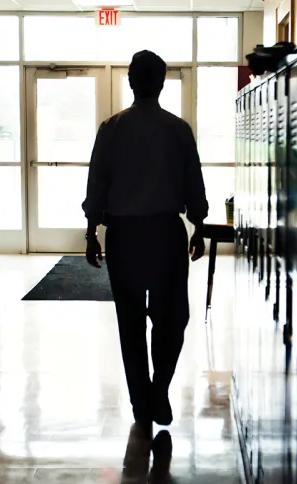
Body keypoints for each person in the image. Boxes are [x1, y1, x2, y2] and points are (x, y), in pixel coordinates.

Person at [82, 50, 208, 429]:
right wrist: (199, 225)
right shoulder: (178, 130)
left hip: (125, 238)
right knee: (173, 320)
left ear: (132, 82)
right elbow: (193, 183)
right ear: (162, 82)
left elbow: (97, 183)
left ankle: (142, 400)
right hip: (166, 235)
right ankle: (159, 391)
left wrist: (92, 232)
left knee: (131, 321)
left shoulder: (111, 129)